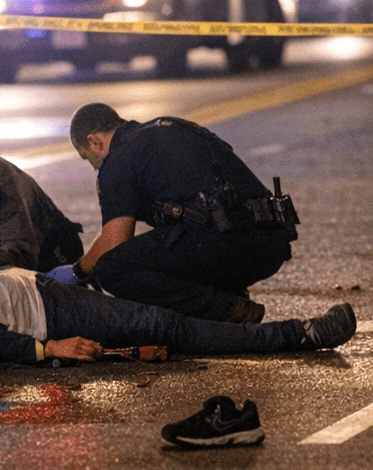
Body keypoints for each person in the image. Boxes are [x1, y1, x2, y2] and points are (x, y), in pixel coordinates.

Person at [63, 103, 298, 323]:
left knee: (112, 268)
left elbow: (113, 243)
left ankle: (224, 310)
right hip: (272, 244)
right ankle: (230, 296)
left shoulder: (118, 160)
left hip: (230, 246)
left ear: (94, 142)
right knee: (177, 235)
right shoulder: (173, 125)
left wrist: (77, 271)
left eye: (88, 159)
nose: (94, 167)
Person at [0, 265, 355, 364]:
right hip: (51, 314)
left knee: (165, 317)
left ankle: (248, 325)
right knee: (166, 327)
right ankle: (300, 335)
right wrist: (47, 349)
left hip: (43, 288)